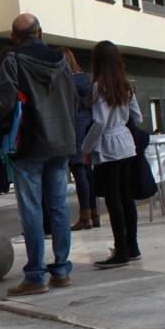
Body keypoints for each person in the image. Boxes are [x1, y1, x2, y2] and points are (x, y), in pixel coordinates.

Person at [0, 14, 77, 295]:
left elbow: (5, 100)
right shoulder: (61, 60)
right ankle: (62, 270)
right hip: (62, 141)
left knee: (31, 209)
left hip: (29, 143)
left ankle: (35, 276)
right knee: (59, 207)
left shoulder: (13, 60)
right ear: (40, 32)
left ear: (14, 36)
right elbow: (73, 99)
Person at [82, 41, 143, 268]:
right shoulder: (125, 84)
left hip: (108, 145)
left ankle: (121, 250)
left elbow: (98, 122)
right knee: (126, 197)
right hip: (126, 143)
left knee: (112, 197)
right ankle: (133, 245)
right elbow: (138, 116)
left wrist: (86, 148)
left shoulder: (99, 86)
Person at [63, 48, 98, 231]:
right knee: (88, 172)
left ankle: (84, 217)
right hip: (88, 129)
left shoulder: (67, 83)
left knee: (79, 173)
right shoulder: (87, 79)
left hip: (74, 130)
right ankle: (94, 213)